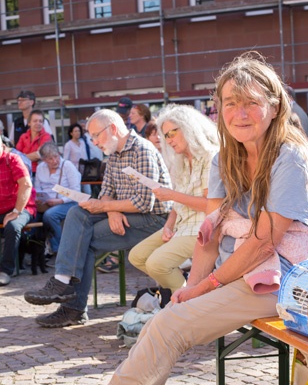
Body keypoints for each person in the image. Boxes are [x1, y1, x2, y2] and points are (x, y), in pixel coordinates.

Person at [8, 52, 308, 385]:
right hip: (246, 271)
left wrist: (206, 286)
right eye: (230, 103)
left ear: (274, 105)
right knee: (165, 325)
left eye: (251, 102)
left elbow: (264, 244)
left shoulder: (289, 156)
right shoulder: (226, 159)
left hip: (287, 278)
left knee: (166, 326)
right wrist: (191, 287)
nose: (240, 113)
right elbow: (210, 235)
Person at [22, 108, 173, 328]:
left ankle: (72, 306)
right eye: (91, 136)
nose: (93, 142)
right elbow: (106, 192)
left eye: (96, 135)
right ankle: (63, 282)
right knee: (76, 212)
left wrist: (106, 206)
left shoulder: (142, 150)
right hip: (129, 213)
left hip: (154, 220)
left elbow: (144, 202)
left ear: (113, 129)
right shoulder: (114, 153)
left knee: (86, 241)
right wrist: (111, 210)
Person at [128, 104, 219, 295]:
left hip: (204, 229)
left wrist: (171, 195)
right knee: (137, 256)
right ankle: (188, 290)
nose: (168, 141)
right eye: (165, 136)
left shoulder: (210, 156)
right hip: (182, 226)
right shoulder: (183, 160)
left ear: (188, 128)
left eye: (172, 133)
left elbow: (211, 206)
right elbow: (178, 206)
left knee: (157, 264)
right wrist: (169, 225)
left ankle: (188, 302)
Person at [0, 135, 36, 286]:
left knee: (12, 227)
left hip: (21, 207)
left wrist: (16, 211)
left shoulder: (12, 159)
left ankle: (6, 270)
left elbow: (26, 185)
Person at [34, 142, 82, 256]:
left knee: (50, 215)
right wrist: (39, 198)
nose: (55, 161)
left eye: (56, 156)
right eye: (50, 158)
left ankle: (60, 249)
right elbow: (37, 188)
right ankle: (38, 250)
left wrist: (60, 201)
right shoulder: (41, 168)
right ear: (44, 159)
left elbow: (76, 192)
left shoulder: (67, 166)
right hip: (46, 203)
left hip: (68, 202)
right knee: (32, 214)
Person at [15, 110, 53, 176]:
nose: (38, 123)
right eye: (35, 121)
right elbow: (16, 156)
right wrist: (31, 156)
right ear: (29, 123)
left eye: (40, 121)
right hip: (24, 171)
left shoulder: (46, 136)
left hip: (41, 172)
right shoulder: (23, 137)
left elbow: (40, 154)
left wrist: (22, 156)